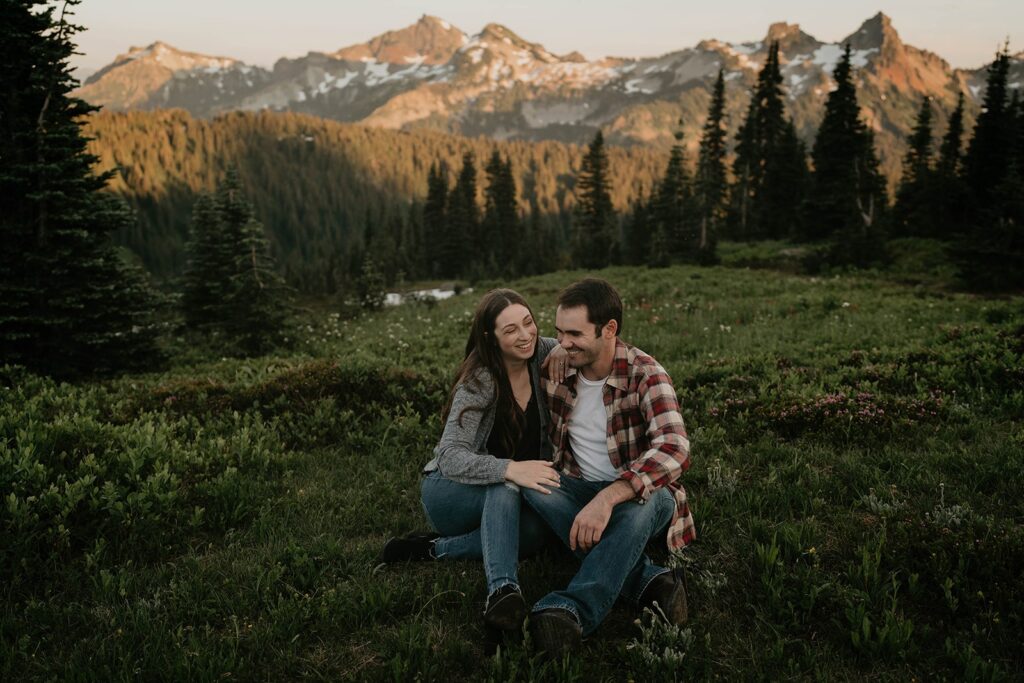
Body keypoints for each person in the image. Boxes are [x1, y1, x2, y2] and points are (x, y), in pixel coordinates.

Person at [522, 278, 695, 658]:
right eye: (558, 333)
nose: (562, 343)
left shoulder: (646, 373)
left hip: (643, 495)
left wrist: (611, 495)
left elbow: (675, 447)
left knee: (638, 509)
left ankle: (571, 611)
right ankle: (649, 583)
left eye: (573, 334)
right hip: (577, 489)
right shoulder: (559, 367)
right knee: (533, 484)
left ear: (609, 330)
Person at [379, 288, 566, 638]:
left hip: (508, 495)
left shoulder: (544, 351)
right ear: (490, 337)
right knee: (504, 484)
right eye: (510, 330)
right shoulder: (480, 378)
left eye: (529, 323)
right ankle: (502, 594)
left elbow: (590, 346)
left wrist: (563, 350)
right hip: (451, 493)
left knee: (534, 534)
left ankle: (433, 549)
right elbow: (451, 456)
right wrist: (509, 468)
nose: (525, 335)